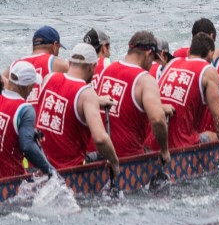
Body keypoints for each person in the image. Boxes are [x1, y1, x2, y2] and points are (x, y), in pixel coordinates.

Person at [144, 33, 219, 174]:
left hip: (152, 142)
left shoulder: (172, 63)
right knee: (214, 134)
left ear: (190, 51)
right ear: (211, 55)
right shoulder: (208, 71)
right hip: (181, 147)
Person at [35, 44, 119, 175]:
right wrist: (115, 163)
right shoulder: (87, 94)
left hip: (39, 168)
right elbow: (100, 139)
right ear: (92, 67)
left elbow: (67, 97)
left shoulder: (48, 78)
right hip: (68, 174)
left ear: (69, 63)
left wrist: (97, 101)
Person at [95, 31, 171, 162]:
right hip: (130, 159)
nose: (152, 64)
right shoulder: (145, 81)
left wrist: (159, 107)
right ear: (148, 54)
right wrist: (164, 150)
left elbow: (124, 103)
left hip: (102, 155)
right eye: (153, 59)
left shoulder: (107, 70)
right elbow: (158, 120)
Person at [0, 61, 54, 178]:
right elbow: (27, 146)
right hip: (11, 183)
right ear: (29, 87)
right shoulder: (25, 110)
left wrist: (30, 131)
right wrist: (49, 170)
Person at [3, 25, 69, 109]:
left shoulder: (15, 66)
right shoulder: (59, 63)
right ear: (55, 46)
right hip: (43, 118)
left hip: (19, 116)